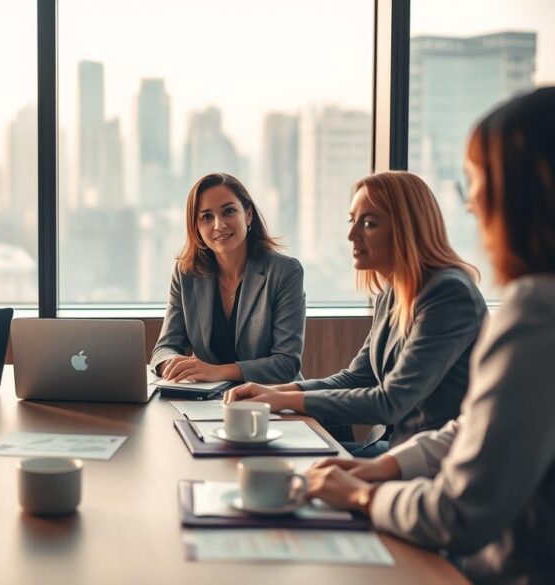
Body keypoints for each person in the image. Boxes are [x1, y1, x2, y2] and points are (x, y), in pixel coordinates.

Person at [303, 87, 555, 584]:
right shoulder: (394, 291)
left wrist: (364, 494)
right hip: (417, 466)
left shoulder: (530, 313)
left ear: (522, 193)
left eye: (478, 181)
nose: (472, 203)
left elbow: (458, 513)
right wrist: (385, 468)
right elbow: (477, 426)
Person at [226, 171, 487, 453]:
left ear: (406, 229)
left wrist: (282, 401)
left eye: (369, 223)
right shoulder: (392, 291)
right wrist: (274, 392)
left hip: (434, 461)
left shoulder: (448, 294)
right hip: (397, 447)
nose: (352, 235)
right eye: (353, 221)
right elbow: (355, 378)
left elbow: (391, 403)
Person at [150, 172, 306, 384]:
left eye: (229, 211)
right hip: (206, 399)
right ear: (196, 227)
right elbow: (164, 348)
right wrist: (174, 364)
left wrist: (217, 372)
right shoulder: (187, 273)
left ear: (248, 214)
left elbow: (287, 363)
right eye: (207, 217)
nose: (219, 225)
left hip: (272, 399)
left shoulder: (284, 271)